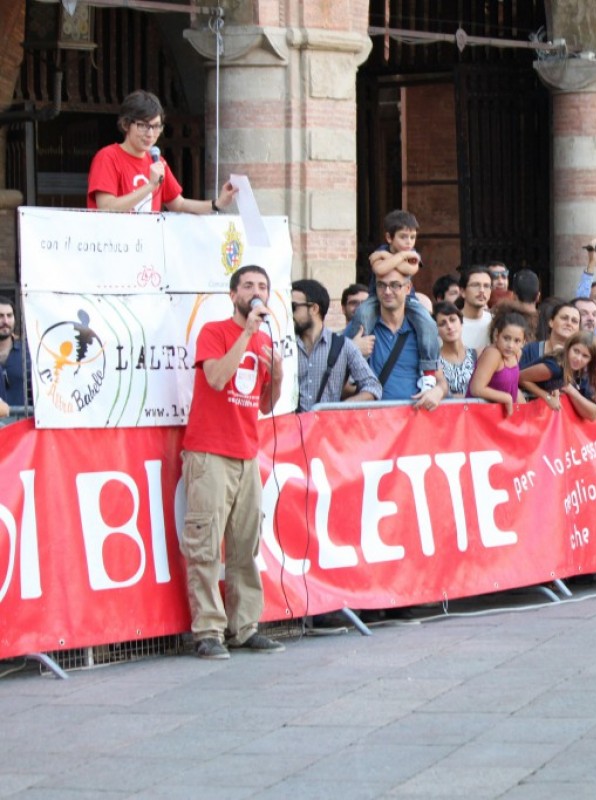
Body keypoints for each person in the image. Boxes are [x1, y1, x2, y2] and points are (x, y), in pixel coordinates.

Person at [180, 265, 285, 660]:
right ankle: (208, 630)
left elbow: (263, 405)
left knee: (245, 544)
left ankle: (244, 626)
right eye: (249, 286)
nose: (256, 291)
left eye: (262, 286)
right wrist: (245, 335)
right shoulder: (216, 332)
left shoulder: (262, 343)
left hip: (246, 453)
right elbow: (216, 379)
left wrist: (276, 375)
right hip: (209, 452)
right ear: (233, 294)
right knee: (205, 545)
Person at [88, 90, 237, 214]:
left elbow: (179, 204)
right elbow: (106, 207)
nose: (150, 134)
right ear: (126, 124)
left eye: (156, 126)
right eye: (143, 126)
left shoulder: (158, 162)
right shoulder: (108, 157)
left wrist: (217, 204)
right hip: (115, 245)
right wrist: (150, 186)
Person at [344, 210, 440, 393]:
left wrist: (393, 259)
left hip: (410, 301)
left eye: (412, 237)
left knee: (427, 323)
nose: (409, 242)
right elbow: (380, 270)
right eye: (403, 237)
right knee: (362, 314)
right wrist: (400, 258)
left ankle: (428, 373)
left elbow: (407, 269)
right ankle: (356, 362)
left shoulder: (404, 254)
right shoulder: (386, 251)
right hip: (374, 299)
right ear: (389, 237)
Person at [292, 279, 381, 412]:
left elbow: (373, 387)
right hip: (292, 429)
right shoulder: (285, 346)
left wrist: (341, 408)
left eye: (293, 307)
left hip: (328, 429)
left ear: (314, 309)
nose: (289, 313)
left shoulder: (344, 346)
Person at [367, 270, 449, 407]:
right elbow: (343, 386)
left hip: (412, 422)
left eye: (395, 285)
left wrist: (438, 391)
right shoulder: (365, 329)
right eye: (381, 285)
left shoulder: (421, 332)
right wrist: (354, 349)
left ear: (408, 288)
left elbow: (441, 381)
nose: (387, 291)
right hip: (373, 421)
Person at [519, 330, 596, 421]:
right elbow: (520, 378)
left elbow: (594, 414)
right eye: (576, 351)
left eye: (585, 356)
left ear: (591, 361)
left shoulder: (579, 370)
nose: (578, 358)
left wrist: (559, 389)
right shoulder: (555, 367)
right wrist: (547, 397)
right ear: (569, 348)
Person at [469, 308, 528, 417]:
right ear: (496, 335)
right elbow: (476, 389)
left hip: (503, 417)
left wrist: (524, 412)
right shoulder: (493, 354)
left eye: (517, 341)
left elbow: (513, 386)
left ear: (523, 342)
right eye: (506, 338)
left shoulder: (516, 354)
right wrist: (506, 398)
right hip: (481, 417)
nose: (510, 345)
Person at [521, 299, 580, 369]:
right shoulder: (530, 350)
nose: (569, 323)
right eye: (564, 318)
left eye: (574, 321)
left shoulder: (580, 356)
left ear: (578, 329)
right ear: (551, 322)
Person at [434, 302, 476, 397]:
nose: (449, 326)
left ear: (461, 322)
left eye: (453, 320)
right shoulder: (434, 360)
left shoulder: (476, 355)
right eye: (442, 323)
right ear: (436, 330)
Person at [0, 296, 29, 417]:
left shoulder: (28, 352)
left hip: (21, 430)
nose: (5, 321)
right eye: (0, 316)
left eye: (9, 315)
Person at [458, 266, 494, 353]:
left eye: (486, 286)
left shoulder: (495, 322)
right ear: (462, 291)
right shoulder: (451, 324)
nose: (482, 290)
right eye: (475, 285)